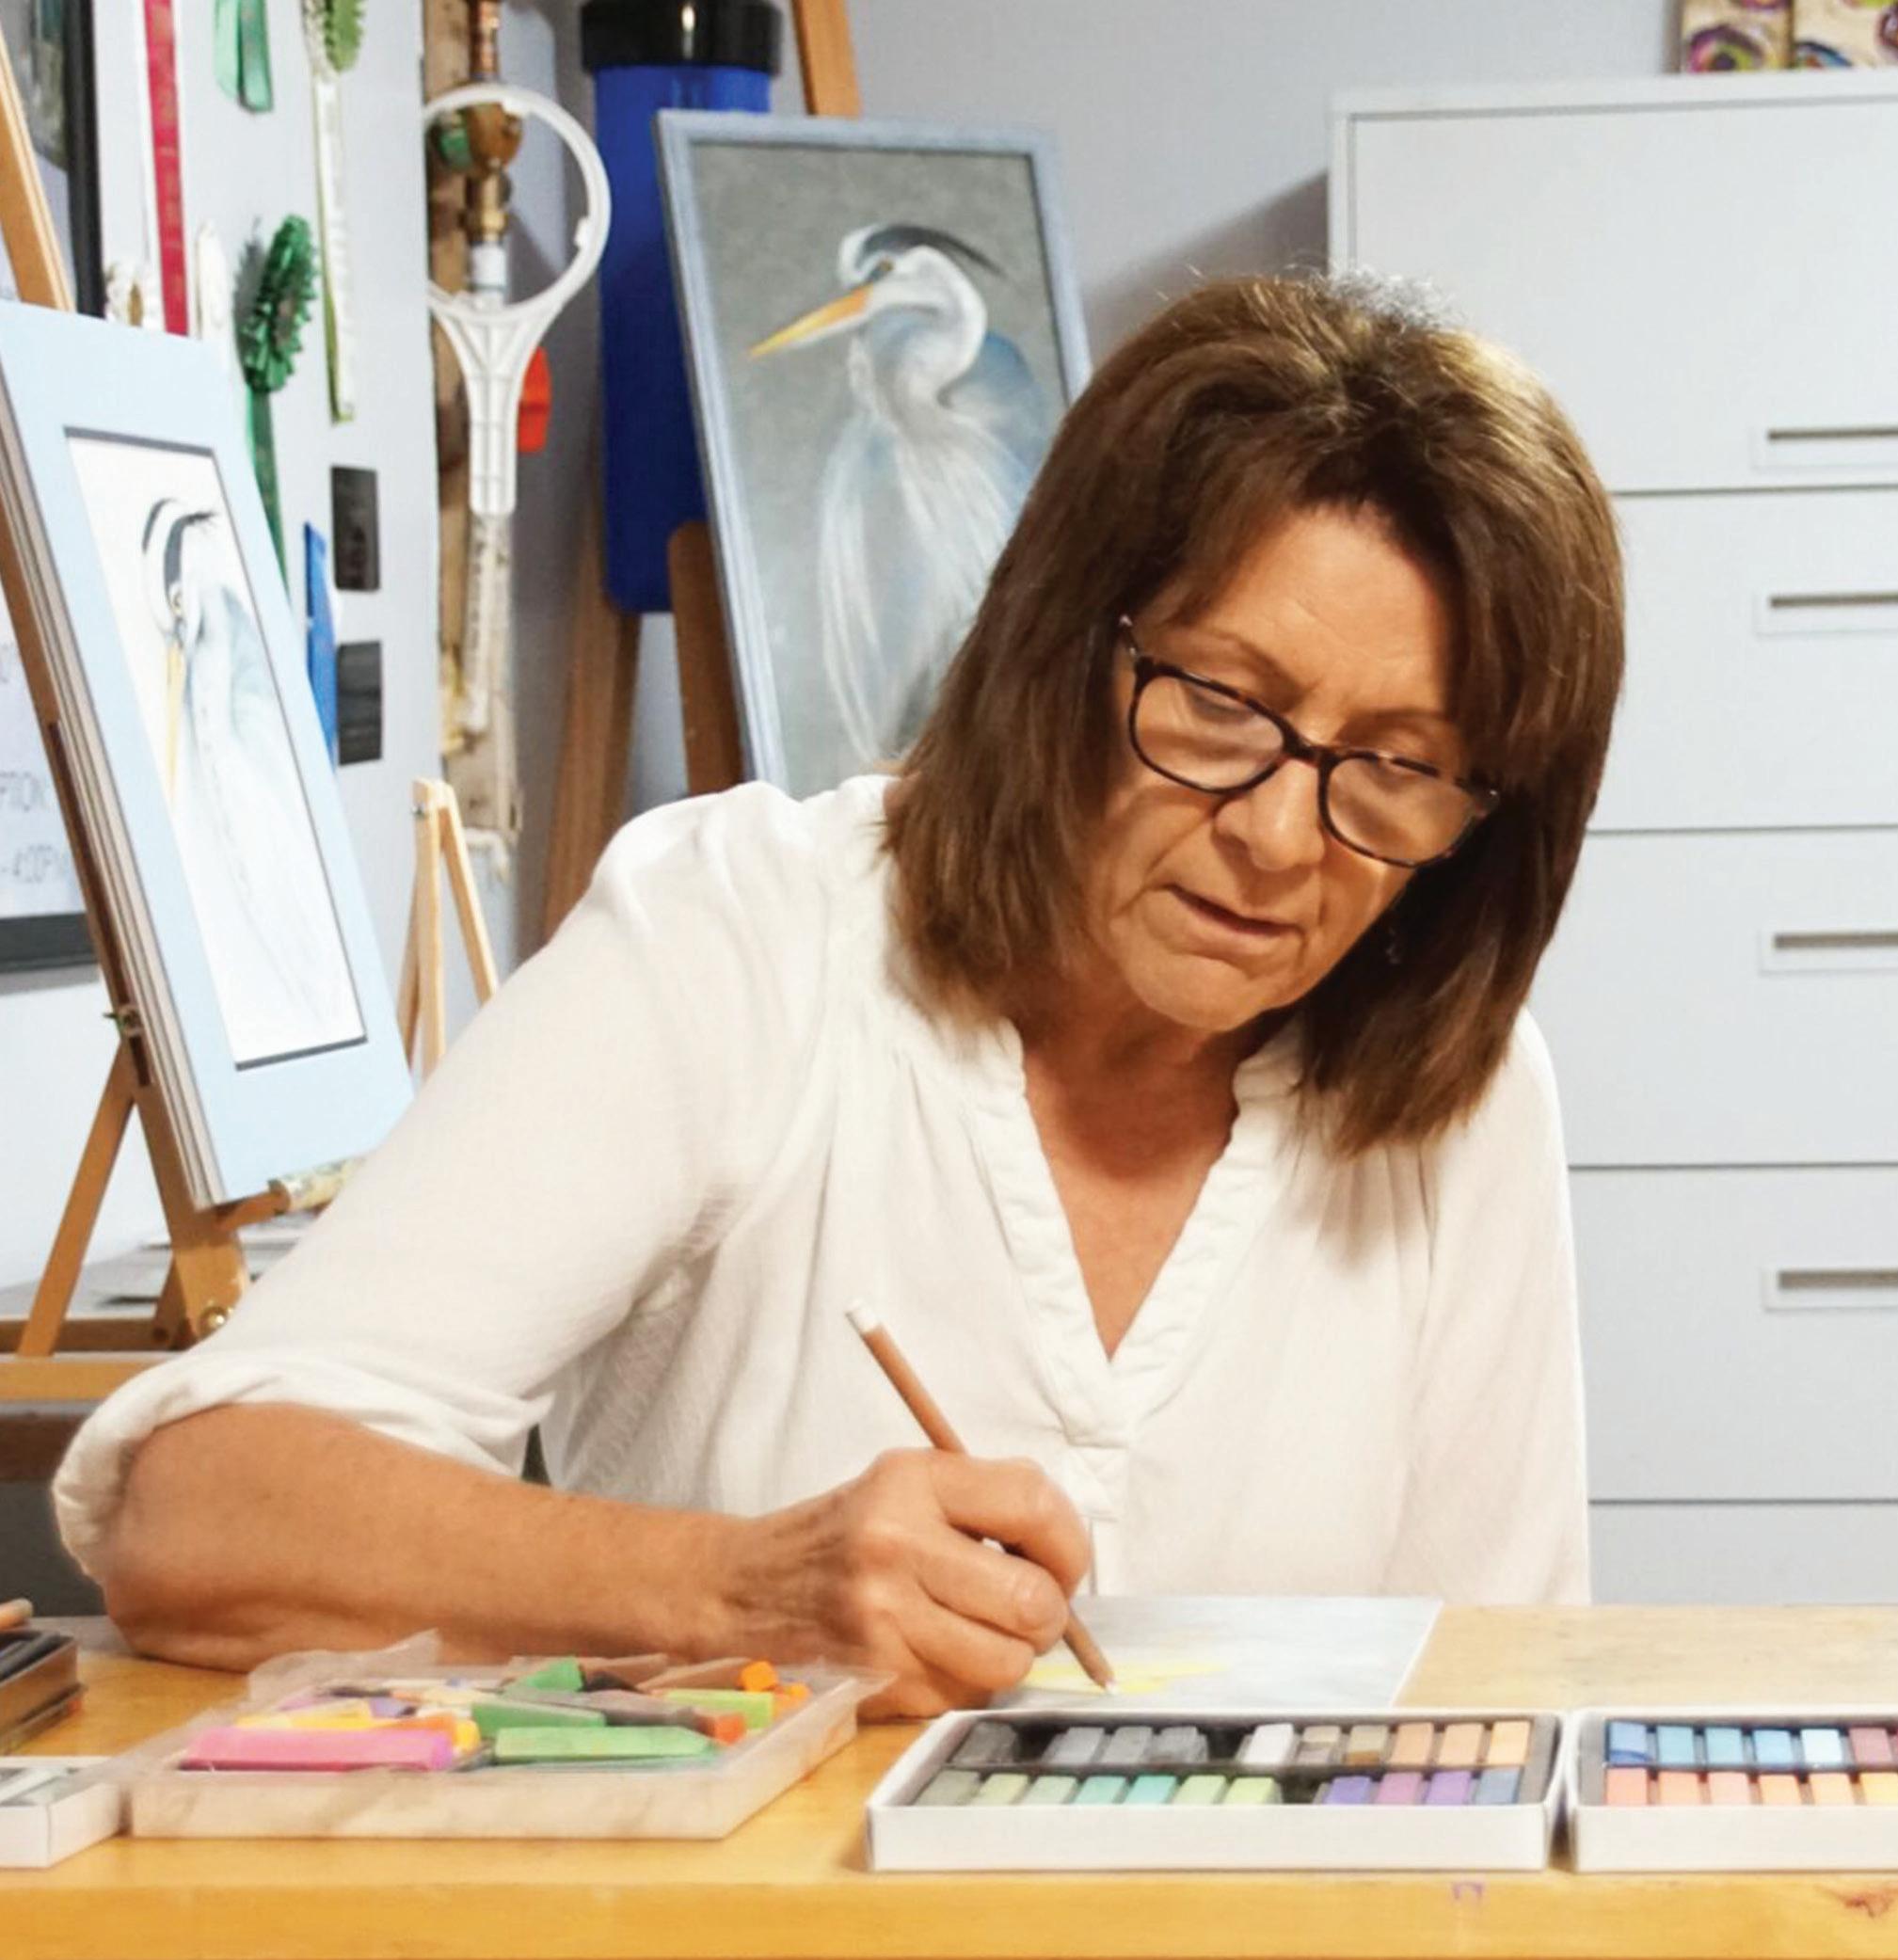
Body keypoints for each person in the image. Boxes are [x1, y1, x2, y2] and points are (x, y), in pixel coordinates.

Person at [54, 270, 1624, 1717]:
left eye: (1399, 767)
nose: (1281, 839)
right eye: (1219, 703)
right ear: (1061, 647)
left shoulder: (1464, 1097)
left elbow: (1506, 1696)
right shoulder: (739, 939)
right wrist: (740, 1594)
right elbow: (196, 1514)